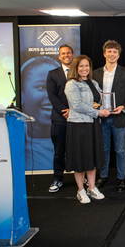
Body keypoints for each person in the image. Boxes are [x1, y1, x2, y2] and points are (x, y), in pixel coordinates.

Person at [64, 55, 110, 204]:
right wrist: (98, 113)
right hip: (78, 126)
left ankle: (91, 188)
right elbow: (77, 105)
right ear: (75, 68)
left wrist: (105, 110)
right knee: (80, 159)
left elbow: (97, 102)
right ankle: (80, 190)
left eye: (87, 66)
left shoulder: (94, 83)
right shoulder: (72, 84)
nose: (84, 69)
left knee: (92, 158)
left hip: (93, 125)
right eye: (81, 66)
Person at [93, 40, 125, 192]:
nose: (112, 54)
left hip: (119, 117)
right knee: (103, 149)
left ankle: (121, 179)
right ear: (104, 54)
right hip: (101, 117)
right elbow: (91, 95)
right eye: (109, 52)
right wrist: (95, 106)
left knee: (120, 150)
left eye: (114, 52)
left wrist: (123, 107)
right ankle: (103, 177)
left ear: (118, 55)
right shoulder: (95, 73)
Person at [21, 56, 60, 170]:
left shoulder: (71, 141)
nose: (50, 95)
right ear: (22, 93)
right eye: (41, 87)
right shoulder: (16, 141)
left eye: (56, 88)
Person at [46, 44, 74, 193]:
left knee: (77, 149)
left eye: (68, 52)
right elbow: (52, 96)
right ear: (59, 56)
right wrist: (65, 110)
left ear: (73, 54)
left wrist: (74, 111)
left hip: (77, 118)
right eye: (63, 53)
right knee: (59, 151)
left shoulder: (80, 72)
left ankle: (80, 177)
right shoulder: (52, 74)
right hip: (60, 118)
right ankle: (57, 178)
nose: (66, 55)